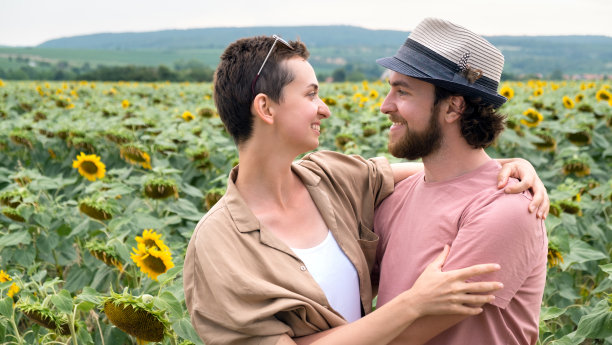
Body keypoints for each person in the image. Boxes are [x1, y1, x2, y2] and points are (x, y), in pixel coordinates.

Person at [183, 35, 547, 345]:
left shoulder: (334, 180)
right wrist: (414, 303)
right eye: (311, 95)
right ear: (265, 108)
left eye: (401, 91)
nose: (324, 109)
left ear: (454, 106)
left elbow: (447, 174)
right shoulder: (218, 243)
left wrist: (503, 170)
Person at [373, 18, 548, 344]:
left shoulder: (505, 209)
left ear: (453, 106)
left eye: (403, 91)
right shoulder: (397, 196)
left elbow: (404, 337)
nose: (386, 106)